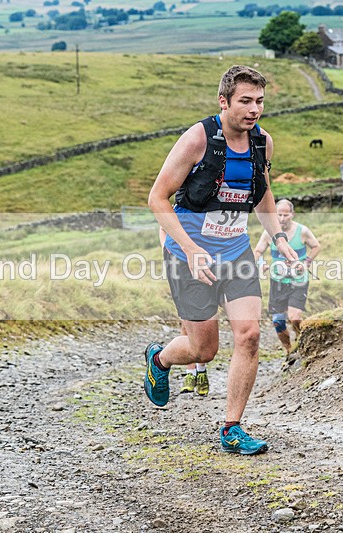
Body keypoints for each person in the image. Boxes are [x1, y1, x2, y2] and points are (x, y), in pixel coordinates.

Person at [145, 65, 297, 455]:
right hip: (188, 254)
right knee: (203, 350)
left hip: (235, 250)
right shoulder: (197, 139)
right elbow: (157, 198)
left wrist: (279, 238)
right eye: (245, 101)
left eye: (260, 101)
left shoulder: (263, 142)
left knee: (248, 335)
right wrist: (191, 250)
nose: (254, 110)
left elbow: (263, 194)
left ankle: (232, 428)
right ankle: (159, 359)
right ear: (224, 101)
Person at [254, 199, 321, 354]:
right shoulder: (268, 233)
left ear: (292, 214)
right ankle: (289, 351)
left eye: (286, 215)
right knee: (278, 322)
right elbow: (258, 252)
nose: (282, 219)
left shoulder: (302, 231)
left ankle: (301, 341)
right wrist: (262, 263)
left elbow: (316, 246)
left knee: (295, 317)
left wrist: (307, 262)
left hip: (299, 280)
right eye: (279, 215)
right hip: (278, 281)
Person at [159, 227, 209, 397]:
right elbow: (163, 227)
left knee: (203, 327)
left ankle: (201, 371)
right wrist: (167, 250)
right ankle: (190, 374)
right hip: (181, 268)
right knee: (186, 325)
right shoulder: (177, 209)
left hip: (205, 267)